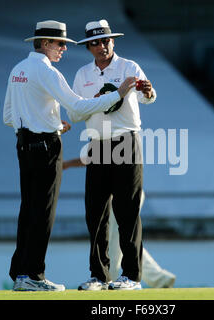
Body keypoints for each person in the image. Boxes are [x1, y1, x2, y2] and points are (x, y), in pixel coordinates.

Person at [3, 20, 136, 291]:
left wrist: (51, 123)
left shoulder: (18, 69)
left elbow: (8, 116)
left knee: (27, 209)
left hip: (23, 144)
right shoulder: (47, 71)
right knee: (43, 211)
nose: (64, 48)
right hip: (45, 147)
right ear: (45, 43)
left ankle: (20, 274)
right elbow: (76, 105)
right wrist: (117, 95)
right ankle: (34, 276)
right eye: (60, 44)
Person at [66, 19, 157, 291]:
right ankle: (98, 275)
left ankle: (132, 276)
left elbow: (148, 97)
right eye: (95, 42)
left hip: (126, 140)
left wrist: (148, 91)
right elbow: (74, 112)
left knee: (127, 211)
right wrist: (98, 101)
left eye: (106, 41)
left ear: (113, 41)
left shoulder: (129, 66)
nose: (102, 46)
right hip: (97, 144)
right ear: (89, 47)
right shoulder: (83, 74)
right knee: (95, 212)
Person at [63, 158, 176, 288]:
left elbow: (94, 156)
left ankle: (113, 279)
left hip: (119, 193)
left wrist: (67, 164)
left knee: (119, 240)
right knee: (124, 239)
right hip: (119, 192)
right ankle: (160, 279)